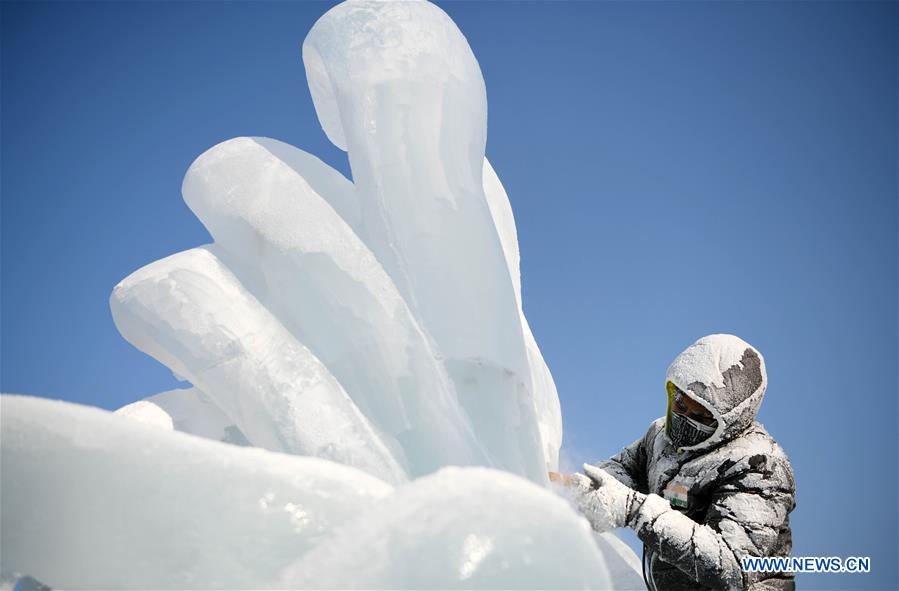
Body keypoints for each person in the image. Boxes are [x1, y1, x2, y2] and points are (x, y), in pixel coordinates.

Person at [551, 334, 796, 591]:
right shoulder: (662, 436)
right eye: (680, 404)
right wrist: (595, 488)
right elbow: (626, 470)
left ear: (732, 419)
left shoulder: (759, 468)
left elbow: (733, 565)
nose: (684, 418)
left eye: (700, 415)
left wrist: (634, 510)